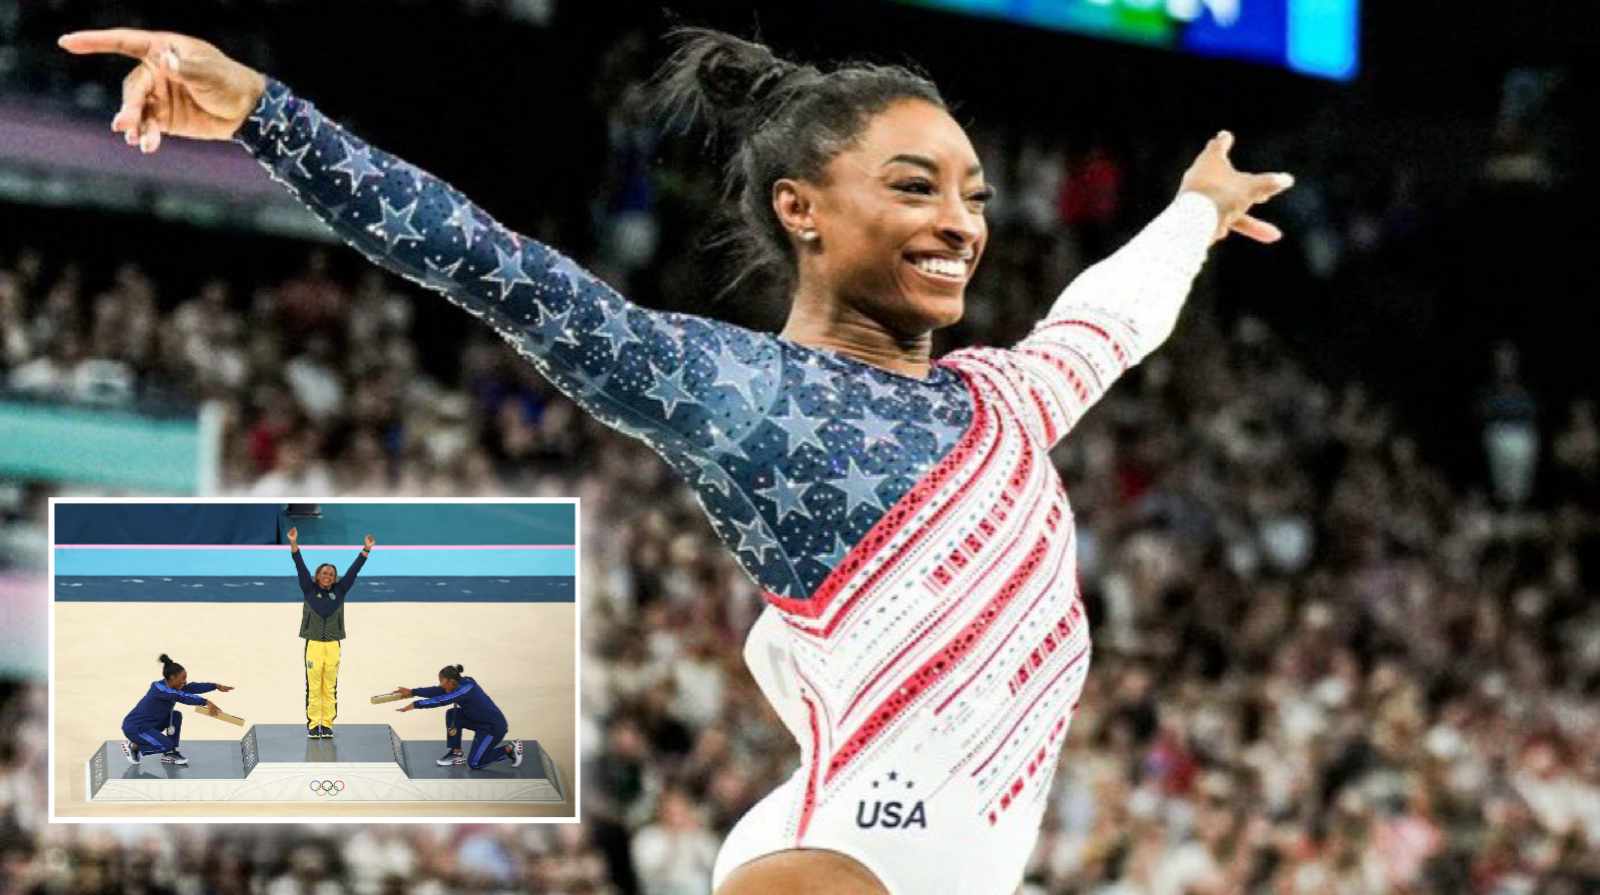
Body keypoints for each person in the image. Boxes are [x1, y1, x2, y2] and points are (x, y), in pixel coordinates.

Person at [59, 26, 1292, 894]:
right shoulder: (745, 394)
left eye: (971, 192)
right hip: (844, 852)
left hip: (918, 842)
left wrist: (1192, 210)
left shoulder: (1005, 397)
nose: (959, 220)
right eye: (913, 186)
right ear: (802, 208)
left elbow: (1110, 320)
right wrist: (271, 118)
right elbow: (496, 267)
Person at [287, 526, 373, 739]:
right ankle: (313, 723)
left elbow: (353, 572)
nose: (328, 576)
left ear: (335, 578)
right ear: (317, 576)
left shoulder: (340, 590)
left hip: (333, 644)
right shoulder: (308, 588)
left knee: (330, 685)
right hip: (314, 645)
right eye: (324, 573)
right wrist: (294, 544)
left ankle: (327, 724)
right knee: (314, 685)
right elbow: (300, 567)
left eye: (331, 574)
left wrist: (366, 550)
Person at [394, 664, 523, 770]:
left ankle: (509, 749)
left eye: (442, 682)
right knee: (452, 714)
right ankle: (456, 754)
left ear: (452, 681)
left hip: (492, 728)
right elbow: (437, 691)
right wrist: (412, 692)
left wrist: (415, 705)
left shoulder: (466, 688)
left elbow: (442, 700)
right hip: (476, 720)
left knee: (475, 763)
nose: (441, 685)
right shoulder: (455, 685)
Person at [120, 653, 234, 766]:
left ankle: (170, 754)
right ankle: (134, 746)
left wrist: (215, 686)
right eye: (183, 678)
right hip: (136, 727)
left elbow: (192, 687)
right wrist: (206, 702)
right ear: (172, 677)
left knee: (175, 715)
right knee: (166, 744)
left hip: (151, 724)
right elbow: (181, 696)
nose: (185, 681)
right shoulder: (159, 689)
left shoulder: (174, 685)